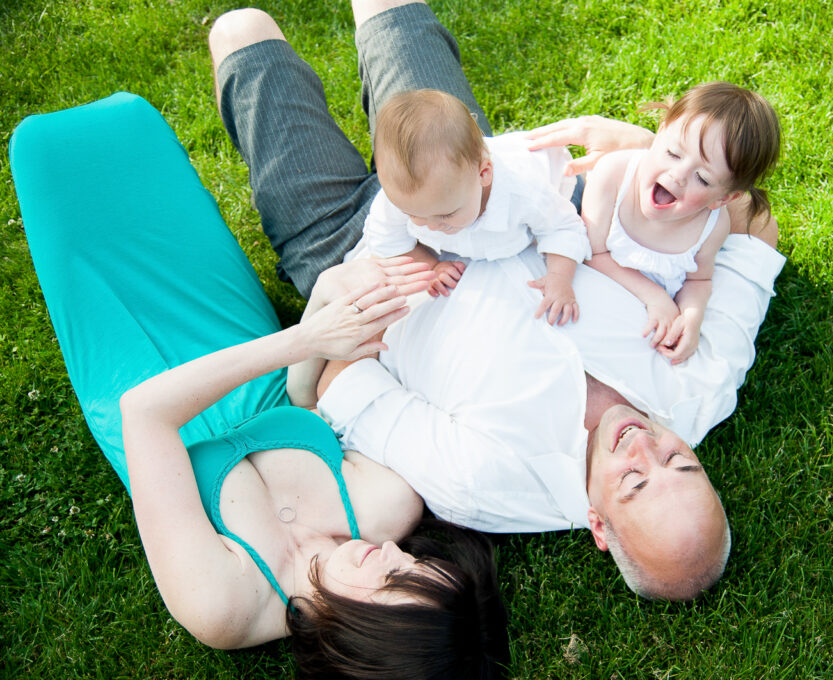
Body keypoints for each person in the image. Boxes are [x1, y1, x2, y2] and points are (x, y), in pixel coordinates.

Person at [209, 1, 785, 600]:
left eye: (636, 481)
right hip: (474, 178)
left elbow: (338, 383)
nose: (644, 445)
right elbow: (751, 220)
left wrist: (390, 281)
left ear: (599, 528)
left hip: (352, 249)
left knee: (241, 31)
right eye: (681, 463)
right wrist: (644, 151)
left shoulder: (488, 485)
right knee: (387, 8)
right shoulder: (705, 381)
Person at [12, 47, 508, 680]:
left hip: (136, 377)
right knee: (125, 132)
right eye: (411, 564)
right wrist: (328, 325)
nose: (391, 553)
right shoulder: (388, 506)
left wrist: (300, 342)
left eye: (393, 580)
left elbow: (147, 415)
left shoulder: (226, 607)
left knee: (45, 154)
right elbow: (302, 404)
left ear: (367, 643)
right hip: (234, 338)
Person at [580, 82, 780, 363]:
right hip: (594, 292)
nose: (678, 175)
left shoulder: (712, 226)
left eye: (704, 178)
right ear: (660, 132)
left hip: (647, 325)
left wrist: (692, 317)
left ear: (723, 198)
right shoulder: (613, 175)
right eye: (673, 153)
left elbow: (698, 280)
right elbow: (592, 253)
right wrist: (656, 297)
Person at [364, 89, 590, 324]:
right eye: (412, 215)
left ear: (484, 174)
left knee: (582, 219)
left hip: (561, 184)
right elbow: (386, 241)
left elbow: (563, 227)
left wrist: (559, 277)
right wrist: (431, 265)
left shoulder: (524, 191)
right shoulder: (407, 199)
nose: (429, 226)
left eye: (446, 214)